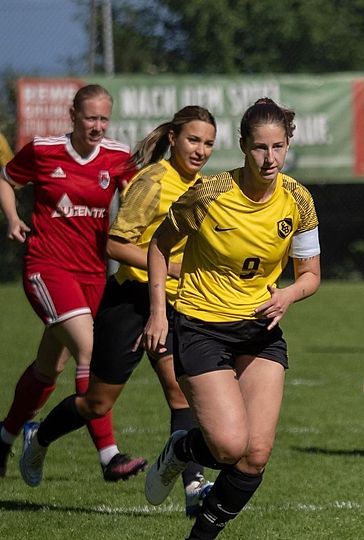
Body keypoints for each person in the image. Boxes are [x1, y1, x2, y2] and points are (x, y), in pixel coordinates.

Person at [18, 106, 217, 516]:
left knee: (182, 393)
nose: (201, 150)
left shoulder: (204, 186)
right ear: (174, 138)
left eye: (209, 143)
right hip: (130, 301)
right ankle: (37, 439)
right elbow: (115, 245)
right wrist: (173, 266)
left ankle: (195, 486)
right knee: (97, 404)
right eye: (194, 140)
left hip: (174, 303)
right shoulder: (153, 181)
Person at [140, 98, 321, 540]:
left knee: (255, 454)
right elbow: (159, 247)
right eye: (260, 147)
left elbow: (311, 275)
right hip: (201, 325)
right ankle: (182, 448)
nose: (270, 158)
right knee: (227, 446)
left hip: (260, 329)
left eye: (278, 147)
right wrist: (158, 313)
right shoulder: (209, 194)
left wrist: (289, 295)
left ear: (288, 145)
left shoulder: (298, 198)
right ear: (242, 146)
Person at [0, 84, 141, 480]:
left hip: (94, 273)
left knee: (50, 365)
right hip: (47, 266)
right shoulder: (44, 150)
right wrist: (13, 219)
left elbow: (136, 198)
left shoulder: (116, 157)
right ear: (73, 115)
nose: (97, 126)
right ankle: (109, 456)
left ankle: (7, 436)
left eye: (103, 119)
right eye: (90, 118)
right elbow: (6, 179)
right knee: (88, 349)